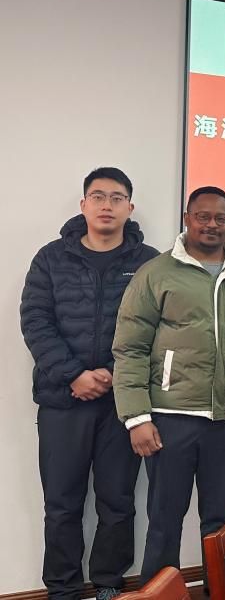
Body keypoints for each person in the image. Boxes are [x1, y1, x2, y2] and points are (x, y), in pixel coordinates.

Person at [112, 186, 225, 584]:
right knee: (165, 518)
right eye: (203, 216)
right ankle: (159, 592)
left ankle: (219, 591)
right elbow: (130, 348)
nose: (212, 225)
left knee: (220, 520)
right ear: (187, 218)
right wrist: (136, 417)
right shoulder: (157, 273)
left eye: (221, 218)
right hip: (170, 418)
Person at [20, 167, 158, 600]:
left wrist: (118, 375)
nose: (106, 205)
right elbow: (35, 321)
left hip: (123, 404)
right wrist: (74, 374)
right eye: (98, 197)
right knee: (62, 503)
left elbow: (159, 327)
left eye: (116, 198)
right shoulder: (51, 258)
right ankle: (62, 589)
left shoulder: (149, 262)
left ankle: (108, 584)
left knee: (117, 501)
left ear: (129, 208)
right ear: (83, 205)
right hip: (63, 400)